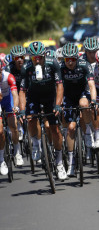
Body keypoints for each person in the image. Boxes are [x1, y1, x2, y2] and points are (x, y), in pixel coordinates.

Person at [18, 41, 66, 179]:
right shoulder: (26, 68)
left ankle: (59, 163)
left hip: (50, 97)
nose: (37, 60)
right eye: (34, 58)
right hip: (34, 97)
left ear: (44, 55)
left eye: (39, 57)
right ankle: (36, 144)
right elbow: (22, 91)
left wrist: (58, 104)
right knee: (31, 120)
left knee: (55, 129)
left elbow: (60, 86)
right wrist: (22, 110)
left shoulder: (53, 64)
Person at [60, 43, 97, 176]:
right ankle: (71, 162)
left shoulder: (84, 65)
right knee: (70, 128)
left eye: (73, 59)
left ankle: (88, 132)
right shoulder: (61, 67)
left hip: (82, 92)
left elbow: (92, 85)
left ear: (77, 58)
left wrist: (93, 100)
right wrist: (57, 104)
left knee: (84, 104)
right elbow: (56, 88)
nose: (70, 62)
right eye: (67, 59)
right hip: (68, 96)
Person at [0, 67, 21, 167]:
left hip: (8, 100)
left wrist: (16, 106)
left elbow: (15, 94)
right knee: (0, 131)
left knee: (13, 125)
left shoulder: (8, 76)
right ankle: (1, 160)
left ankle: (17, 153)